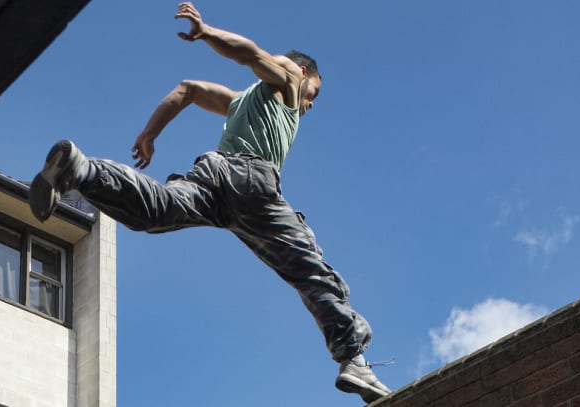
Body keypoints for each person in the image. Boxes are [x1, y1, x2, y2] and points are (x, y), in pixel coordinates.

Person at [29, 2, 390, 402]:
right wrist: (207, 33)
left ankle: (83, 171)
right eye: (314, 94)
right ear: (304, 74)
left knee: (157, 210)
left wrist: (150, 134)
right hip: (252, 181)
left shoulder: (240, 102)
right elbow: (251, 53)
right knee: (309, 269)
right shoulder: (289, 79)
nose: (310, 105)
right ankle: (353, 358)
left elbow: (187, 90)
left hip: (214, 179)